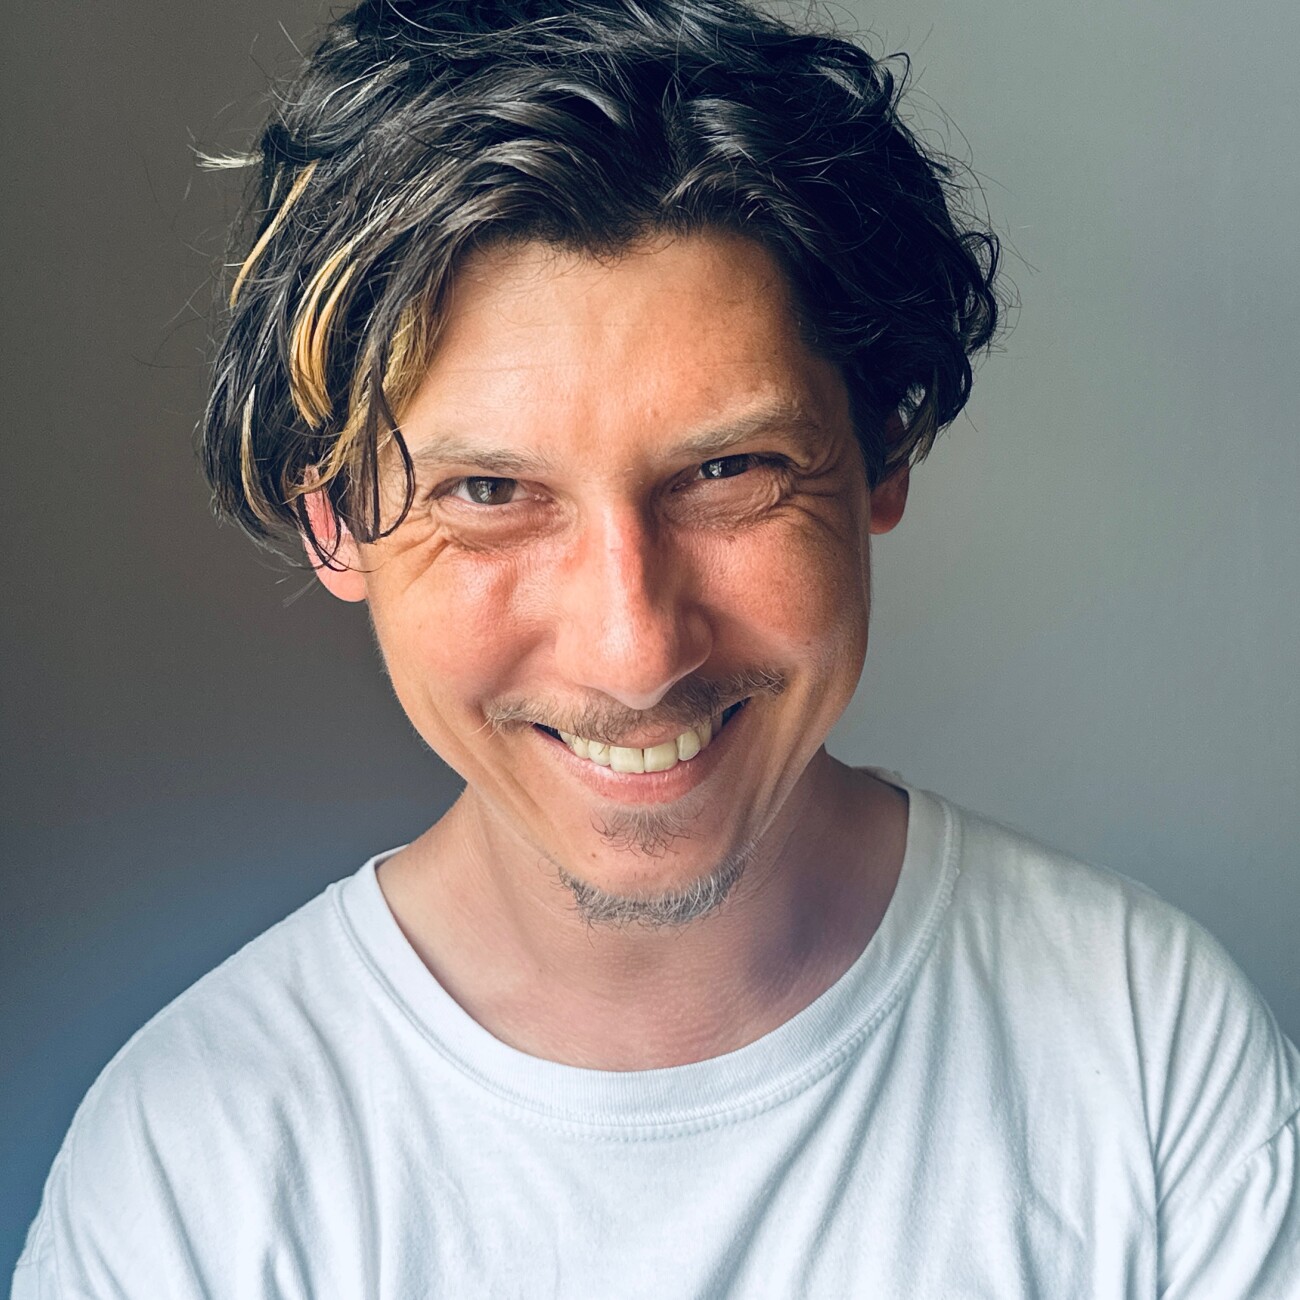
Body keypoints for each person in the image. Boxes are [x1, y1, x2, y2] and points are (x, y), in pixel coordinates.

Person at [13, 0, 1299, 1294]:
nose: (634, 654)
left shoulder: (1149, 1055)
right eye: (489, 493)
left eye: (729, 471)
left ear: (884, 454)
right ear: (331, 522)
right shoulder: (190, 1177)